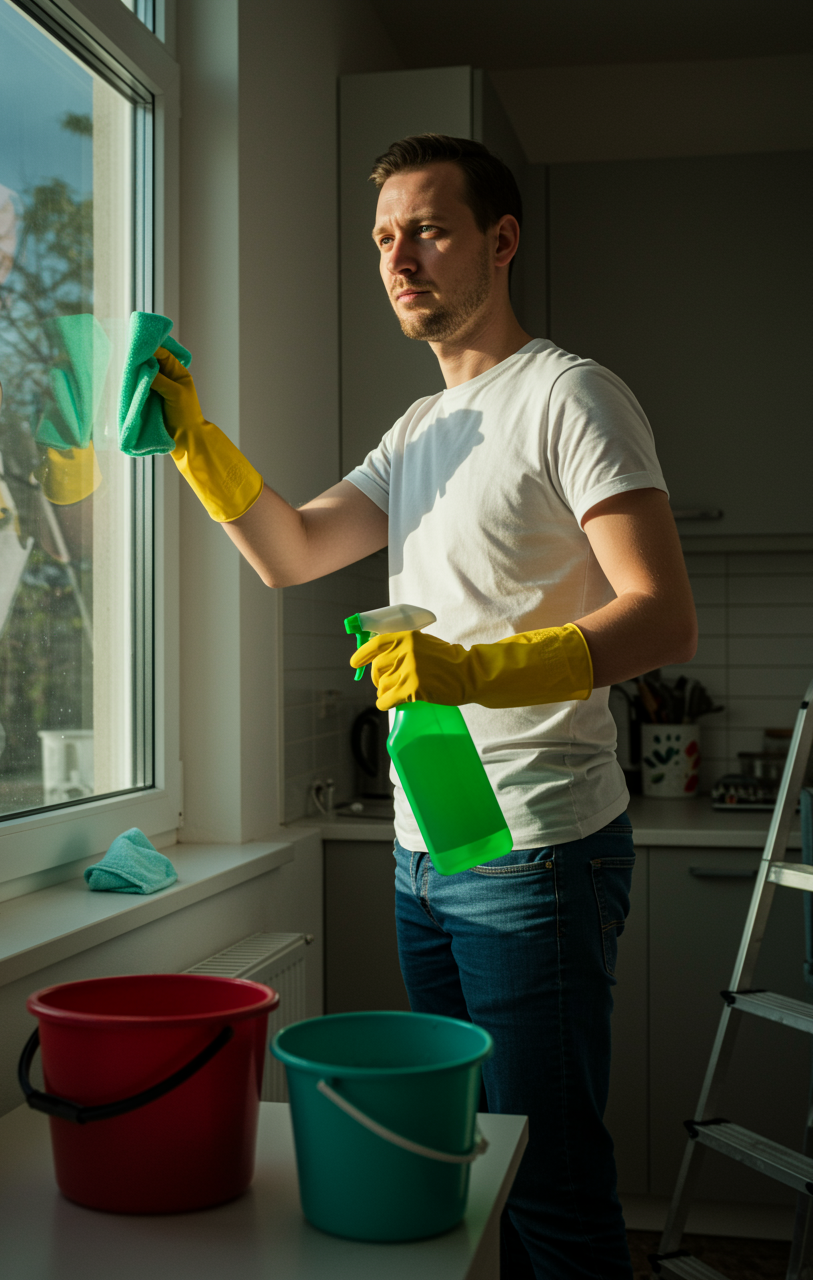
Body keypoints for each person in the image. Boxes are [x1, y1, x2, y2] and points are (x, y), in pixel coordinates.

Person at [153, 133, 697, 1279]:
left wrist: (476, 670)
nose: (400, 258)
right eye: (384, 238)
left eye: (429, 229)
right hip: (426, 843)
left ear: (500, 241)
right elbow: (293, 551)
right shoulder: (417, 429)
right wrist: (195, 445)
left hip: (537, 849)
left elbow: (659, 617)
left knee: (546, 1175)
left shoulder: (568, 393)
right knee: (473, 1162)